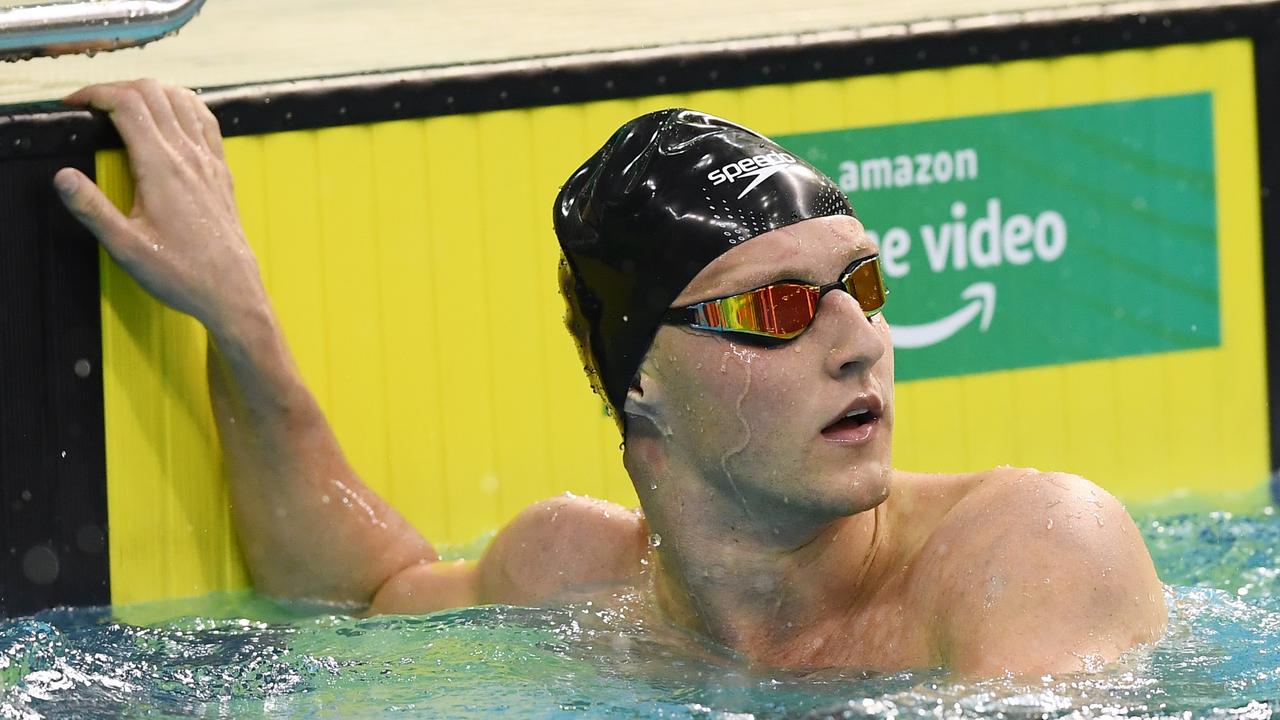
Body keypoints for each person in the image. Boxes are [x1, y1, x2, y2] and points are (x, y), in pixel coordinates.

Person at [53, 79, 1167, 676]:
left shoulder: (1024, 555)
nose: (856, 340)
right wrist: (237, 323)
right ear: (635, 375)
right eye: (775, 308)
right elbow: (360, 595)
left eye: (860, 285)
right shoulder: (573, 573)